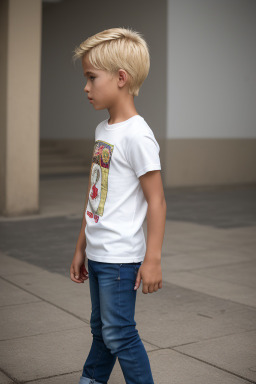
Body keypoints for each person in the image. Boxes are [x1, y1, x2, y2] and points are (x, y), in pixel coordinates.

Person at [70, 27, 167, 384]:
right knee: (102, 331)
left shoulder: (138, 135)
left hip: (121, 259)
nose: (86, 87)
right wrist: (81, 246)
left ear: (121, 78)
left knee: (120, 334)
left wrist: (153, 258)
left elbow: (156, 200)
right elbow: (95, 195)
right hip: (98, 253)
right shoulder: (103, 130)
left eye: (91, 78)